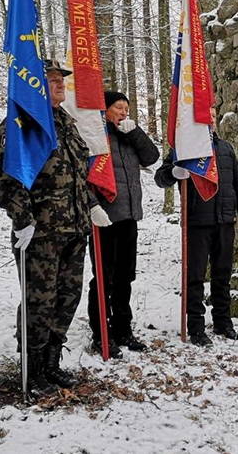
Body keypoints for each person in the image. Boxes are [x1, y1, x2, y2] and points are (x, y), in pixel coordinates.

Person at [0, 59, 111, 393]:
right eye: (53, 80)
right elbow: (5, 176)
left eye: (61, 80)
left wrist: (90, 206)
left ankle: (52, 362)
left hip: (74, 228)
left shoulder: (66, 123)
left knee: (66, 298)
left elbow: (75, 176)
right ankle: (32, 368)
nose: (60, 85)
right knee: (38, 301)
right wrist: (22, 219)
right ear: (34, 84)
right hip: (40, 232)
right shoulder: (21, 124)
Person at [154, 126, 238, 347]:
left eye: (213, 116)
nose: (210, 121)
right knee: (195, 277)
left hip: (225, 221)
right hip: (197, 221)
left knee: (222, 275)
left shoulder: (226, 148)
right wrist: (173, 173)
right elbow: (160, 178)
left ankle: (222, 321)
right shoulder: (185, 148)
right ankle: (196, 326)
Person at [87, 92, 159, 356]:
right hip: (104, 219)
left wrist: (136, 133)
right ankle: (101, 333)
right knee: (104, 279)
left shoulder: (129, 135)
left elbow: (151, 157)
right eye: (119, 107)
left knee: (125, 278)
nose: (124, 112)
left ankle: (123, 329)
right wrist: (92, 206)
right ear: (106, 110)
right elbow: (86, 175)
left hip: (129, 216)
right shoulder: (95, 136)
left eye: (127, 108)